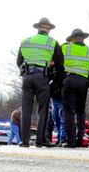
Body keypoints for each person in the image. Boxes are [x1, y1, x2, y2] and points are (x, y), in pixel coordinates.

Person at [16, 17, 60, 147]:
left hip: (27, 77)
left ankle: (24, 141)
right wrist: (52, 75)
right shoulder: (52, 43)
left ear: (38, 28)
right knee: (43, 110)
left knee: (26, 109)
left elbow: (19, 62)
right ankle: (40, 140)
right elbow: (59, 63)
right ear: (49, 29)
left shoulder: (26, 41)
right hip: (43, 77)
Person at [58, 28, 89, 148]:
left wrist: (60, 81)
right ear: (83, 38)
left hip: (69, 81)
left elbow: (58, 64)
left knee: (69, 112)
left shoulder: (65, 48)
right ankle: (80, 139)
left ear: (73, 38)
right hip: (83, 83)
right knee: (81, 111)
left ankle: (71, 142)